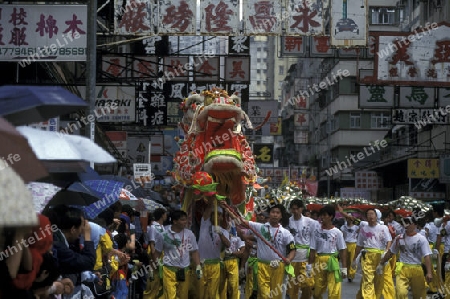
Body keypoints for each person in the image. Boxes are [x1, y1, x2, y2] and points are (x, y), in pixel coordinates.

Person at [227, 202, 296, 299]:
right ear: (269, 214)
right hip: (262, 266)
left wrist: (289, 258)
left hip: (278, 267)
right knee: (264, 294)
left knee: (276, 295)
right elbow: (241, 222)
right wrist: (227, 209)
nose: (275, 214)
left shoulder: (286, 233)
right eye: (273, 212)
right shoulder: (260, 227)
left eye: (277, 213)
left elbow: (292, 249)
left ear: (281, 216)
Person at [379, 216, 433, 299]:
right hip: (402, 268)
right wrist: (381, 263)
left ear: (415, 225)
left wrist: (429, 272)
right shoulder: (399, 238)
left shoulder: (421, 239)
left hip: (417, 269)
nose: (406, 225)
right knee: (401, 293)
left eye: (409, 223)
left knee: (419, 295)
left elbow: (427, 256)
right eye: (405, 223)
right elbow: (391, 252)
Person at [154, 210, 202, 299]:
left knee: (183, 296)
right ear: (174, 221)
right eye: (182, 220)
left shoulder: (189, 234)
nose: (185, 222)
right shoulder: (163, 235)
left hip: (185, 271)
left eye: (186, 219)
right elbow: (157, 252)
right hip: (169, 270)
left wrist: (198, 266)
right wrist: (156, 267)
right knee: (170, 296)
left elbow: (194, 251)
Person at [308, 205, 347, 299]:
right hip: (319, 261)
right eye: (321, 215)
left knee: (334, 289)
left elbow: (342, 250)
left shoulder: (337, 232)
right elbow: (312, 249)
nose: (322, 217)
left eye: (324, 215)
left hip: (332, 261)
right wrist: (309, 265)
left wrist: (344, 268)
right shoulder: (316, 232)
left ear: (331, 216)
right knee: (317, 291)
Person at [352, 208, 392, 299]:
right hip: (367, 256)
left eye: (372, 214)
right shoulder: (363, 229)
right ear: (366, 217)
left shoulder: (383, 228)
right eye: (368, 214)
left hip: (380, 256)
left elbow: (389, 241)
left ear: (376, 216)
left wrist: (386, 252)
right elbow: (359, 245)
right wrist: (354, 259)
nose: (370, 216)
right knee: (367, 279)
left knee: (378, 281)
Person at [197, 197, 231, 299]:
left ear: (221, 218)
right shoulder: (204, 225)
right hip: (202, 264)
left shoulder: (224, 232)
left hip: (215, 265)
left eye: (219, 215)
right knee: (201, 293)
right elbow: (207, 211)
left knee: (212, 293)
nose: (217, 216)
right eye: (215, 214)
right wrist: (212, 200)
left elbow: (228, 244)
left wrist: (220, 233)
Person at [286, 198, 319, 299]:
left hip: (305, 257)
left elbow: (315, 239)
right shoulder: (287, 222)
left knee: (308, 284)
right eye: (293, 209)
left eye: (297, 209)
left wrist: (311, 262)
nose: (295, 211)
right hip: (292, 258)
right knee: (291, 287)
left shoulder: (311, 222)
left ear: (301, 209)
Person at [340, 214, 359, 282]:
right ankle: (348, 274)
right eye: (347, 218)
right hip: (345, 244)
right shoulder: (343, 227)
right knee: (346, 260)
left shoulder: (356, 227)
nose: (349, 220)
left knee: (352, 260)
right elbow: (341, 235)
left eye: (350, 219)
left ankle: (352, 274)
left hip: (353, 244)